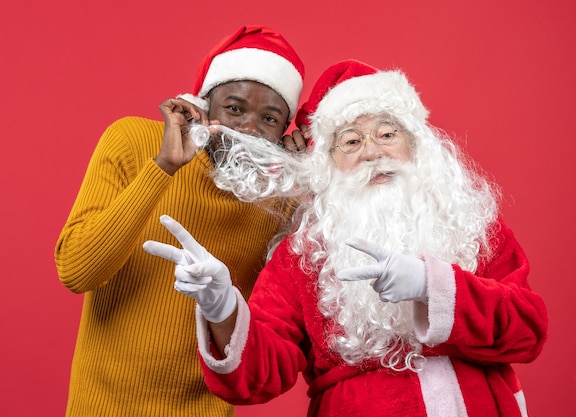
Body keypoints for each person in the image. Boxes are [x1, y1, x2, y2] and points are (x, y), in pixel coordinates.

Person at [144, 59, 549, 417]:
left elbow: (528, 333)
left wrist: (434, 287)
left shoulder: (469, 224)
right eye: (352, 141)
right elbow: (260, 377)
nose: (373, 152)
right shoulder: (302, 255)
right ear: (328, 164)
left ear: (417, 144)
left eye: (388, 134)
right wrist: (222, 308)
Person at [54, 25, 306, 417]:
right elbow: (76, 272)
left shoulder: (280, 200)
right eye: (235, 108)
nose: (249, 129)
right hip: (100, 406)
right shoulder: (133, 140)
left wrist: (310, 182)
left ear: (282, 133)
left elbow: (277, 331)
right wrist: (164, 167)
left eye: (269, 119)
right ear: (202, 107)